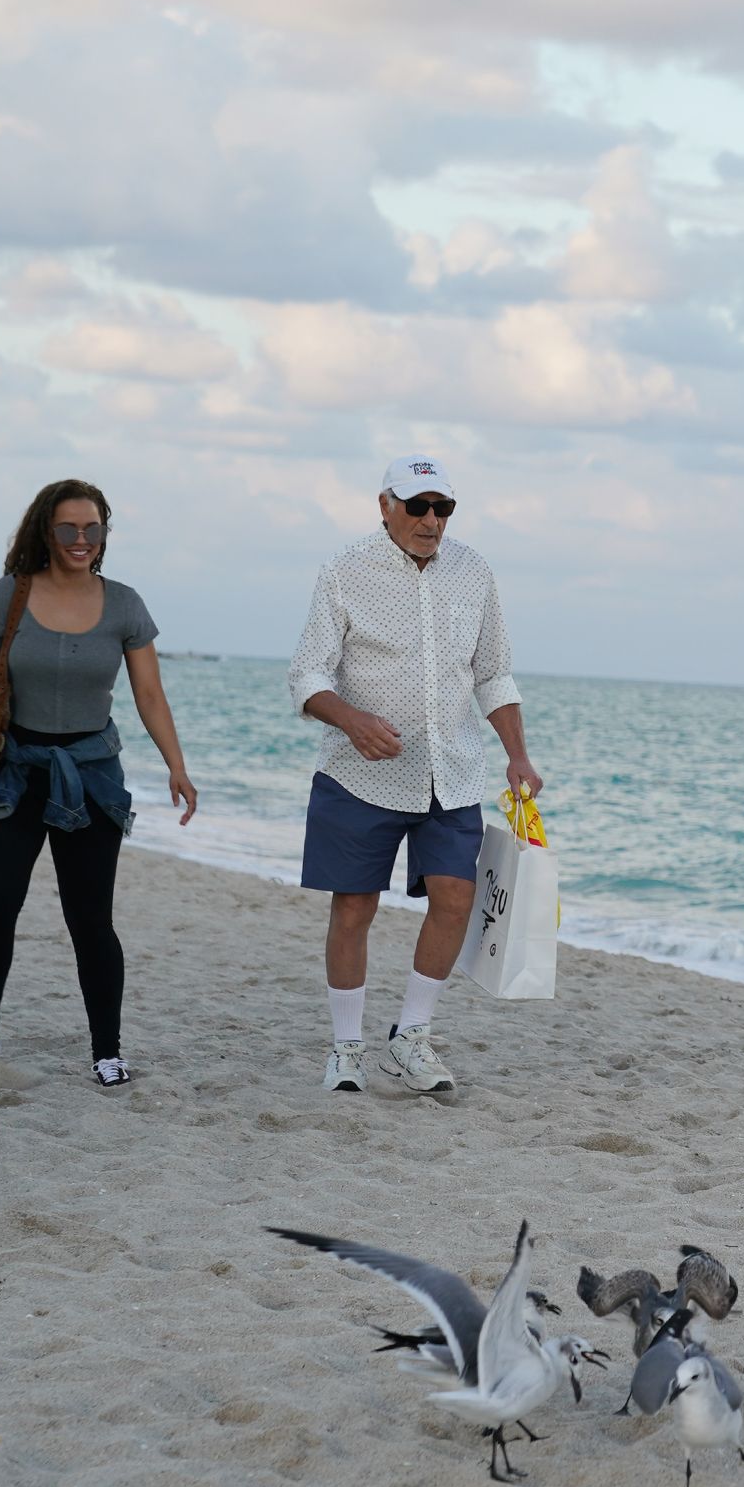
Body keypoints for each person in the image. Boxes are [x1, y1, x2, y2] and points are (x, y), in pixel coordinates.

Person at [0, 480, 197, 1090]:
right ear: (46, 530)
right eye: (68, 528)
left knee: (91, 919)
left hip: (93, 777)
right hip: (13, 774)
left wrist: (176, 765)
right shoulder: (8, 595)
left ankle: (107, 1052)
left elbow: (149, 693)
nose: (80, 539)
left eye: (92, 528)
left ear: (104, 534)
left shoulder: (124, 604)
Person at [288, 456, 541, 1097]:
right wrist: (351, 720)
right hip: (358, 775)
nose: (431, 520)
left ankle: (411, 1038)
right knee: (354, 908)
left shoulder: (474, 571)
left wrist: (518, 755)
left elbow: (493, 674)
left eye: (443, 507)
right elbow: (308, 674)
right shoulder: (344, 570)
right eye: (418, 505)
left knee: (456, 899)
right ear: (385, 505)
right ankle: (347, 1047)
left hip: (451, 771)